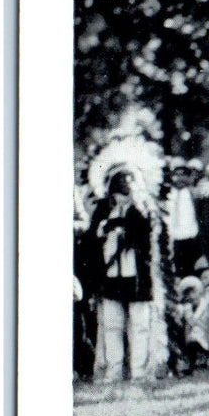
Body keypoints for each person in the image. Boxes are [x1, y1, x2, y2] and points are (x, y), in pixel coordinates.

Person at [86, 163, 158, 392]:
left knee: (139, 326)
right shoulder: (103, 211)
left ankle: (139, 372)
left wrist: (122, 226)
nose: (121, 198)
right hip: (110, 278)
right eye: (118, 192)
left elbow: (147, 236)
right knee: (112, 326)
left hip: (137, 277)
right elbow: (91, 241)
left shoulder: (142, 209)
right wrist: (105, 231)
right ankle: (114, 371)